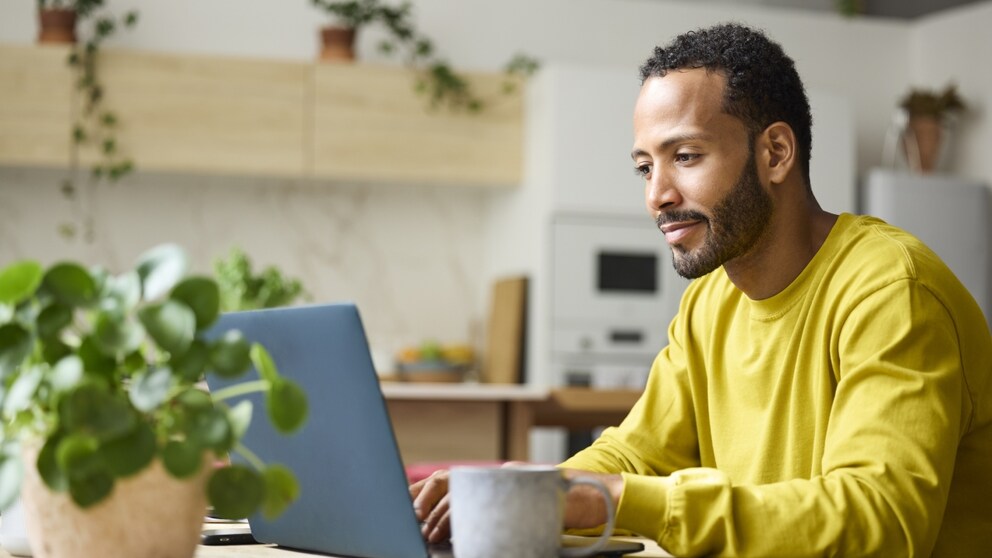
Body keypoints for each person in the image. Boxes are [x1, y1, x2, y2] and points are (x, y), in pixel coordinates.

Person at [410, 23, 992, 556]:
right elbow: (638, 452)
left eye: (685, 156)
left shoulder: (893, 291)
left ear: (776, 153)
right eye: (645, 167)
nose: (656, 195)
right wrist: (527, 488)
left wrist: (611, 498)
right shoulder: (710, 302)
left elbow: (880, 520)